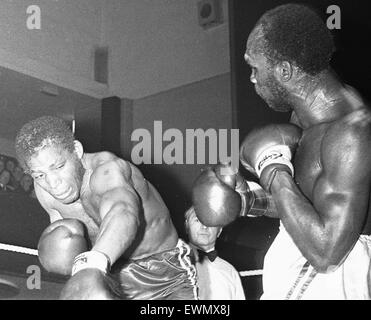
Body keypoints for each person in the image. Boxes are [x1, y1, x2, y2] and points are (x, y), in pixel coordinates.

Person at [192, 3, 371, 299]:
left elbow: (327, 253)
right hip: (302, 262)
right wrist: (248, 200)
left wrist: (273, 172)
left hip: (328, 276)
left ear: (285, 70)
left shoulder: (351, 132)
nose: (251, 78)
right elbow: (309, 201)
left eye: (255, 68)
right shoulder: (305, 118)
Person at [15, 115, 197, 300]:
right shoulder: (44, 190)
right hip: (108, 274)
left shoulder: (107, 171)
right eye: (39, 175)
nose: (53, 183)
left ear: (76, 151)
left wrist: (91, 264)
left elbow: (122, 212)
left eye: (59, 166)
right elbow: (70, 254)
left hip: (162, 274)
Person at [185, 206, 245, 300]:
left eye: (211, 222)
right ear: (187, 226)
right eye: (197, 220)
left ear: (219, 231)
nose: (204, 227)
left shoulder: (230, 271)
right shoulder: (173, 264)